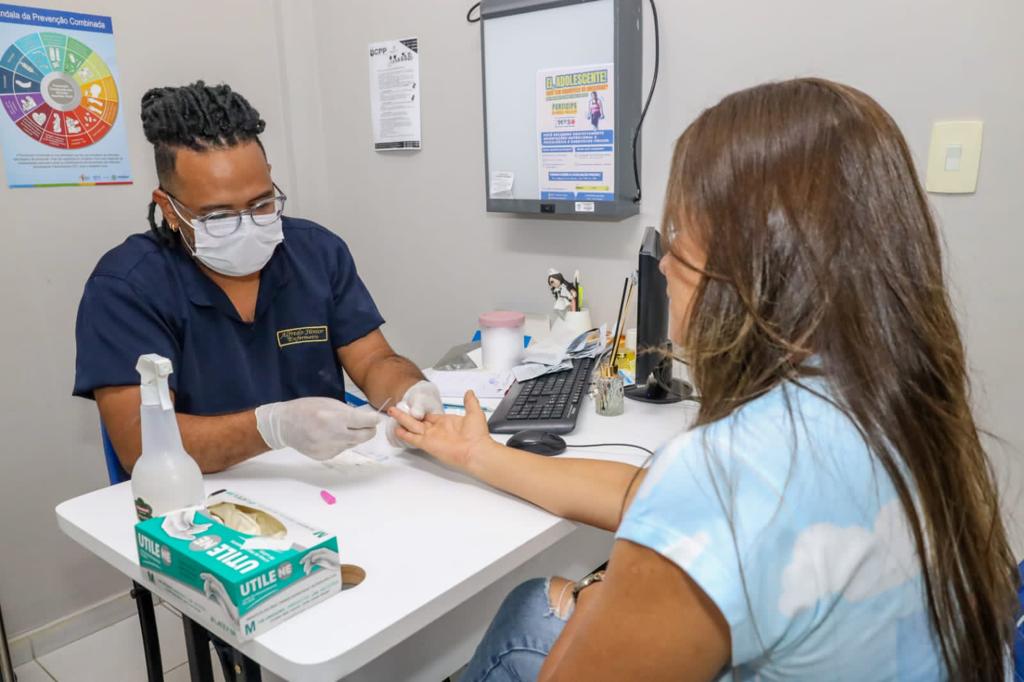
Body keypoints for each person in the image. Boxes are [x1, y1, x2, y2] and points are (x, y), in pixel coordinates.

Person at [390, 78, 1018, 680]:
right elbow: (645, 497)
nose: (664, 261)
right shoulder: (897, 404)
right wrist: (476, 452)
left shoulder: (730, 470)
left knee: (529, 611)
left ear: (754, 265)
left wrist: (603, 589)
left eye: (682, 236)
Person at [73, 81, 442, 474]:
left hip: (324, 481)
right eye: (217, 215)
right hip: (198, 498)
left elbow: (373, 359)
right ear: (168, 207)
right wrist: (273, 428)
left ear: (269, 176)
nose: (247, 227)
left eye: (261, 203)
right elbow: (140, 444)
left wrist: (411, 390)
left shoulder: (316, 252)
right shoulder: (126, 288)